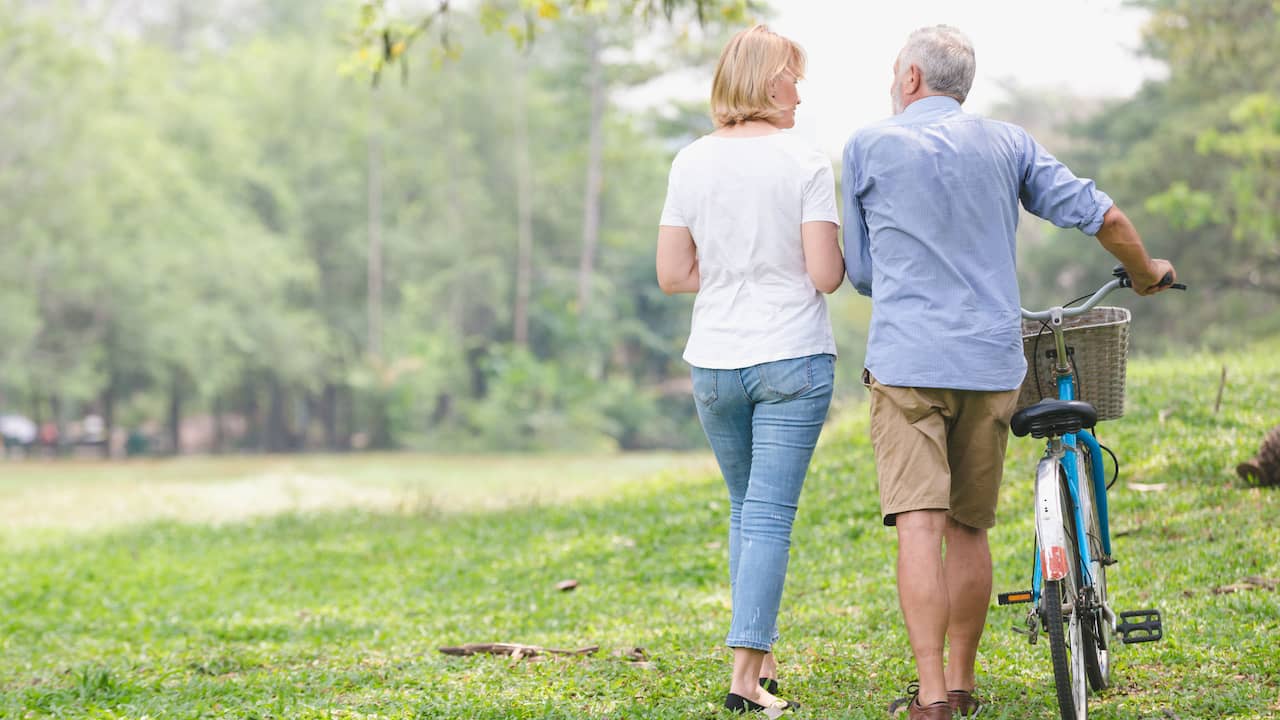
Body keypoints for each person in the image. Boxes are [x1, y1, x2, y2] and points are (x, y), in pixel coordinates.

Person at [841, 25, 1178, 720]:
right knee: (971, 527)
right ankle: (963, 683)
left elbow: (866, 275)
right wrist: (1145, 274)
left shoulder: (867, 146)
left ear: (909, 79)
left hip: (906, 363)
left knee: (918, 528)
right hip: (989, 361)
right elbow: (1102, 214)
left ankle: (931, 696)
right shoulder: (1008, 143)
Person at [656, 23, 845, 716]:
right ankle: (743, 678)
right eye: (794, 76)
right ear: (771, 83)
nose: (800, 90)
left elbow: (673, 274)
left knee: (745, 510)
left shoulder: (690, 162)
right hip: (790, 355)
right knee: (766, 515)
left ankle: (760, 657)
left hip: (714, 364)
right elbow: (825, 276)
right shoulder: (804, 161)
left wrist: (733, 267)